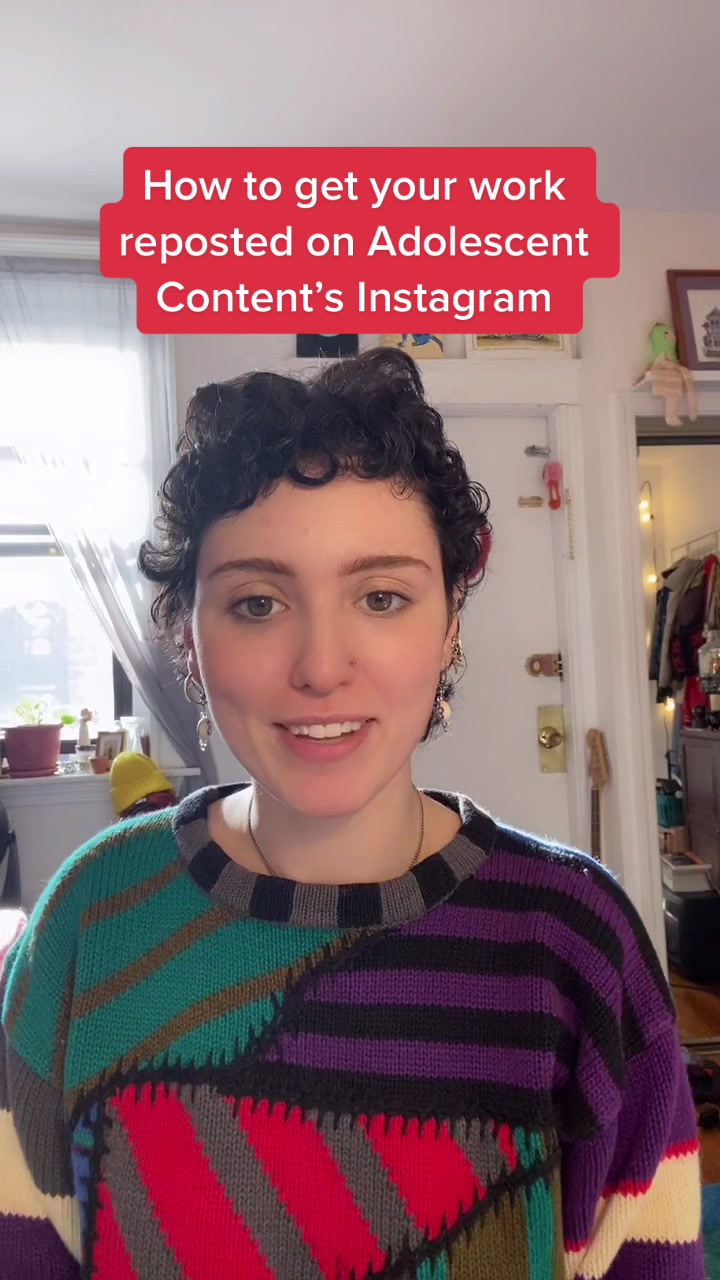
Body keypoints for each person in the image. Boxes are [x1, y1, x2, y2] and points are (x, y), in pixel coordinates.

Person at [0, 348, 703, 1279]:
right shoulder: (90, 919)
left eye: (381, 597)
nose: (321, 666)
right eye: (257, 603)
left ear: (449, 626)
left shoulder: (575, 939)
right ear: (188, 637)